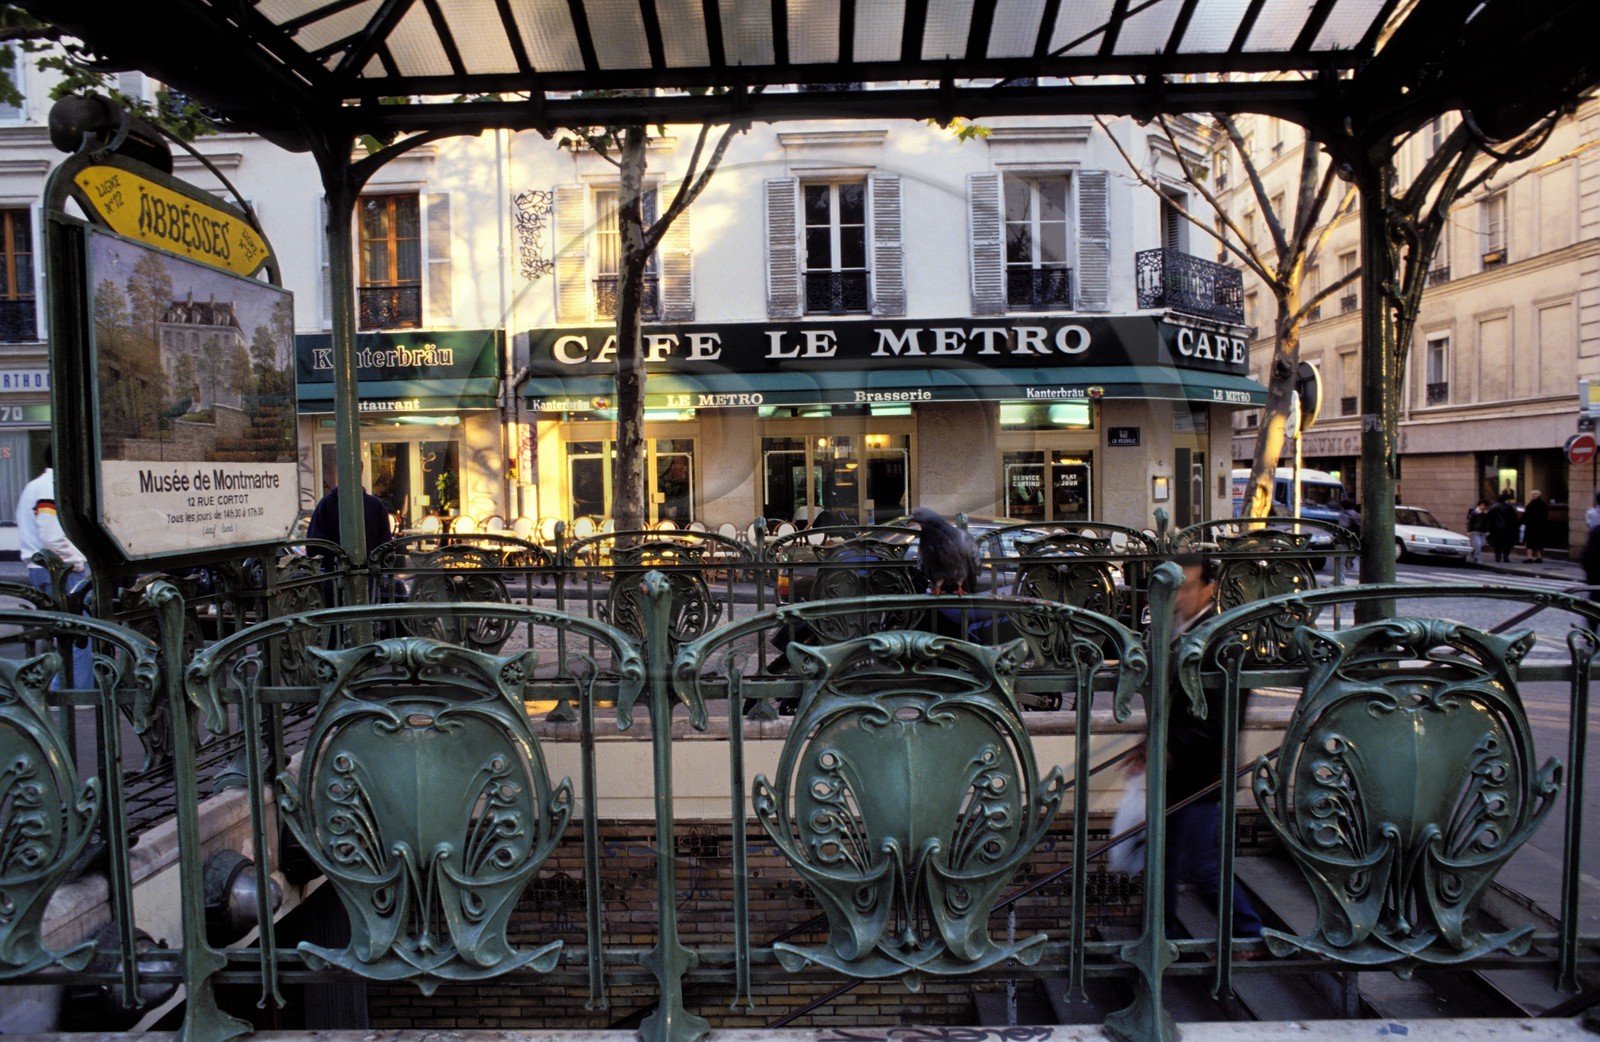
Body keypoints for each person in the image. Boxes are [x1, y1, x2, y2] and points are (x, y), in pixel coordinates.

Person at [1163, 555, 1265, 947]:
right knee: (1167, 860)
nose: (1177, 597)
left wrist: (1168, 749)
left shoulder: (1222, 641)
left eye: (1187, 587)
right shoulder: (1179, 629)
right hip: (1179, 770)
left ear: (1209, 589)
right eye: (1174, 588)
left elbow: (1219, 721)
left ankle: (1248, 934)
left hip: (1205, 772)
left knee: (1202, 865)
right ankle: (1160, 936)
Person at [15, 446, 93, 687]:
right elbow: (52, 535)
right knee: (80, 633)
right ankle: (75, 688)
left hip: (42, 568)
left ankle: (62, 684)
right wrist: (77, 562)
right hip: (61, 570)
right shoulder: (50, 487)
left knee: (61, 632)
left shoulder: (34, 486)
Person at [1487, 490, 1520, 563]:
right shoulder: (1509, 508)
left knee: (1497, 544)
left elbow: (1489, 518)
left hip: (1495, 529)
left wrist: (1489, 528)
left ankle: (1497, 557)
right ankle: (1506, 557)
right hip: (1507, 528)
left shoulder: (1493, 507)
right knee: (1506, 544)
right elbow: (1513, 519)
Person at [1521, 489, 1548, 562]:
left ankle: (1529, 557)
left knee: (1529, 542)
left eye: (1531, 495)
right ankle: (1539, 557)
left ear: (1533, 496)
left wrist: (1523, 522)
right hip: (1541, 526)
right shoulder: (1543, 504)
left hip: (1531, 526)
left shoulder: (1531, 505)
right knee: (1539, 541)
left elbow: (1526, 515)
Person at [1466, 499, 1491, 564]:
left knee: (1482, 543)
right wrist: (1469, 530)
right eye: (1481, 505)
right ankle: (1477, 557)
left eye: (1484, 505)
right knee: (1478, 544)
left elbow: (1487, 522)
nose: (1483, 507)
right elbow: (1470, 522)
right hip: (1475, 530)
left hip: (1483, 531)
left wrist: (1487, 530)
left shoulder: (1486, 513)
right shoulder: (1475, 512)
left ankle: (1474, 551)